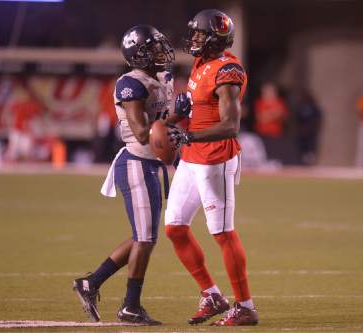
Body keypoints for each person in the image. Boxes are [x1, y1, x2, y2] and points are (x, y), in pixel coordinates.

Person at [72, 24, 174, 324]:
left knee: (146, 237)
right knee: (145, 237)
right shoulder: (130, 83)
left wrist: (180, 115)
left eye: (159, 47)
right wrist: (173, 131)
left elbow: (165, 122)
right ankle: (130, 306)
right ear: (138, 56)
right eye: (152, 49)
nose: (160, 53)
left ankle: (90, 283)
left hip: (151, 165)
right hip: (135, 163)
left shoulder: (163, 78)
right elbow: (144, 133)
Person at [164, 9, 258, 326]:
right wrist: (179, 117)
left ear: (215, 38)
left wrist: (190, 133)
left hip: (215, 157)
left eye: (200, 34)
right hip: (192, 156)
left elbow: (230, 125)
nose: (194, 39)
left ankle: (245, 306)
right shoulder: (202, 62)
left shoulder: (227, 70)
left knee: (222, 233)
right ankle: (212, 294)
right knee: (175, 227)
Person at [253, 82, 289, 161]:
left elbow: (283, 116)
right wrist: (274, 113)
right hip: (262, 133)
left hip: (275, 133)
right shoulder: (260, 102)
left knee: (275, 154)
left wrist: (269, 115)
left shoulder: (280, 102)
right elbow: (261, 118)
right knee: (263, 154)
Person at [293, 90, 322, 165]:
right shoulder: (300, 107)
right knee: (302, 151)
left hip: (311, 133)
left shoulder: (314, 107)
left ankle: (310, 163)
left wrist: (311, 129)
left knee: (311, 150)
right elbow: (295, 119)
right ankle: (302, 163)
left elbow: (318, 119)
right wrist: (300, 129)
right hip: (301, 133)